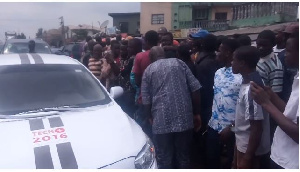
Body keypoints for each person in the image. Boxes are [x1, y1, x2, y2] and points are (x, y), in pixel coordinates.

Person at [141, 46, 202, 169]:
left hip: (160, 121)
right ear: (163, 54)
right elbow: (195, 89)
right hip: (184, 118)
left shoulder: (148, 70)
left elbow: (146, 100)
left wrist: (149, 117)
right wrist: (196, 113)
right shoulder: (179, 63)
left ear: (151, 57)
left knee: (164, 158)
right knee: (183, 157)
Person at [250, 31, 299, 169]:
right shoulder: (297, 75)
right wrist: (271, 95)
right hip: (281, 153)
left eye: (289, 51)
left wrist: (266, 103)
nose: (284, 54)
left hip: (290, 162)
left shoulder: (276, 65)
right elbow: (289, 113)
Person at [231, 46, 270, 169]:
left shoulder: (252, 89)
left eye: (234, 60)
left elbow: (256, 128)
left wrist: (247, 158)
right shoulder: (246, 82)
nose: (231, 63)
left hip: (251, 151)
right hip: (242, 145)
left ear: (242, 63)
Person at [206, 38, 241, 169]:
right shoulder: (218, 73)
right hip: (214, 126)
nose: (217, 53)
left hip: (233, 130)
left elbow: (246, 107)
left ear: (228, 52)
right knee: (211, 160)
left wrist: (232, 127)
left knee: (231, 162)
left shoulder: (241, 76)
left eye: (219, 50)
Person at [256, 30, 284, 144]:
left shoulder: (275, 66)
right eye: (259, 44)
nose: (261, 48)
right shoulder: (256, 57)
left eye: (264, 45)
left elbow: (274, 94)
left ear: (273, 45)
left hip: (263, 111)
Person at [133, 30, 159, 137]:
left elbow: (137, 80)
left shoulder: (140, 56)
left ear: (147, 41)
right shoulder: (163, 54)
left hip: (144, 97)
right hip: (160, 97)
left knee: (143, 127)